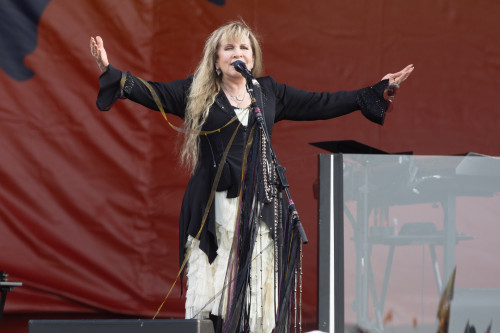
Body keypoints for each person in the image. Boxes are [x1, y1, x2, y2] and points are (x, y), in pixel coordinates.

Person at [90, 20, 413, 333]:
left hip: (260, 206)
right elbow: (151, 92)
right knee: (215, 293)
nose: (237, 53)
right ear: (216, 60)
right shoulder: (195, 91)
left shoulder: (267, 93)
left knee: (257, 295)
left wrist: (372, 91)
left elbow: (321, 102)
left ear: (253, 58)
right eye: (228, 48)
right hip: (214, 210)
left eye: (244, 47)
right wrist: (112, 71)